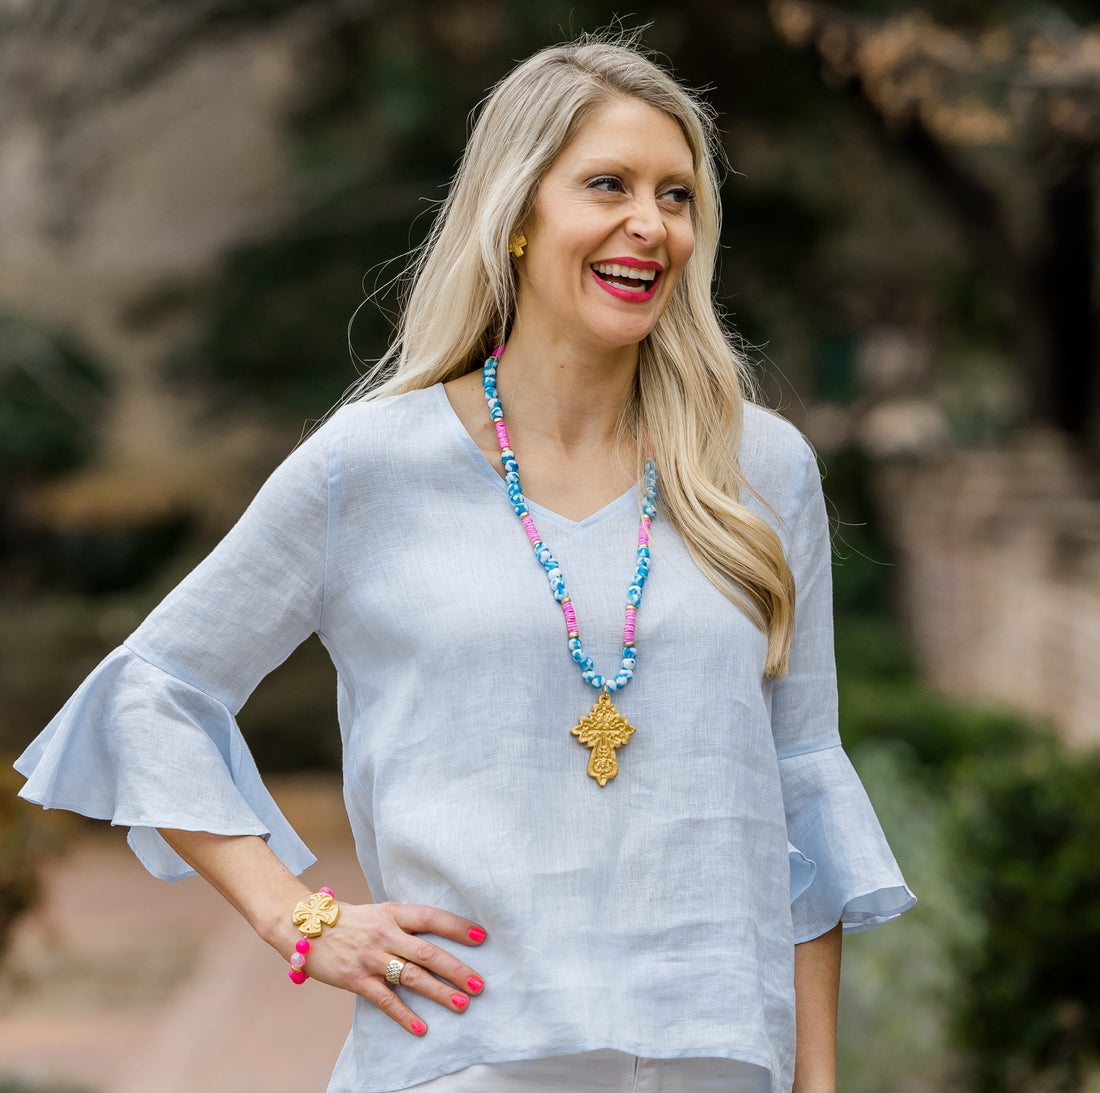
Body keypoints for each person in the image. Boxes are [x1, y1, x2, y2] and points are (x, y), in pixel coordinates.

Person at [15, 34, 914, 1093]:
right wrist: (299, 917)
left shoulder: (759, 469)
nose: (650, 223)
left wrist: (815, 1082)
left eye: (676, 195)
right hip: (465, 1061)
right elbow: (152, 693)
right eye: (607, 185)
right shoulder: (371, 466)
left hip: (711, 1059)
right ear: (518, 215)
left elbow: (800, 787)